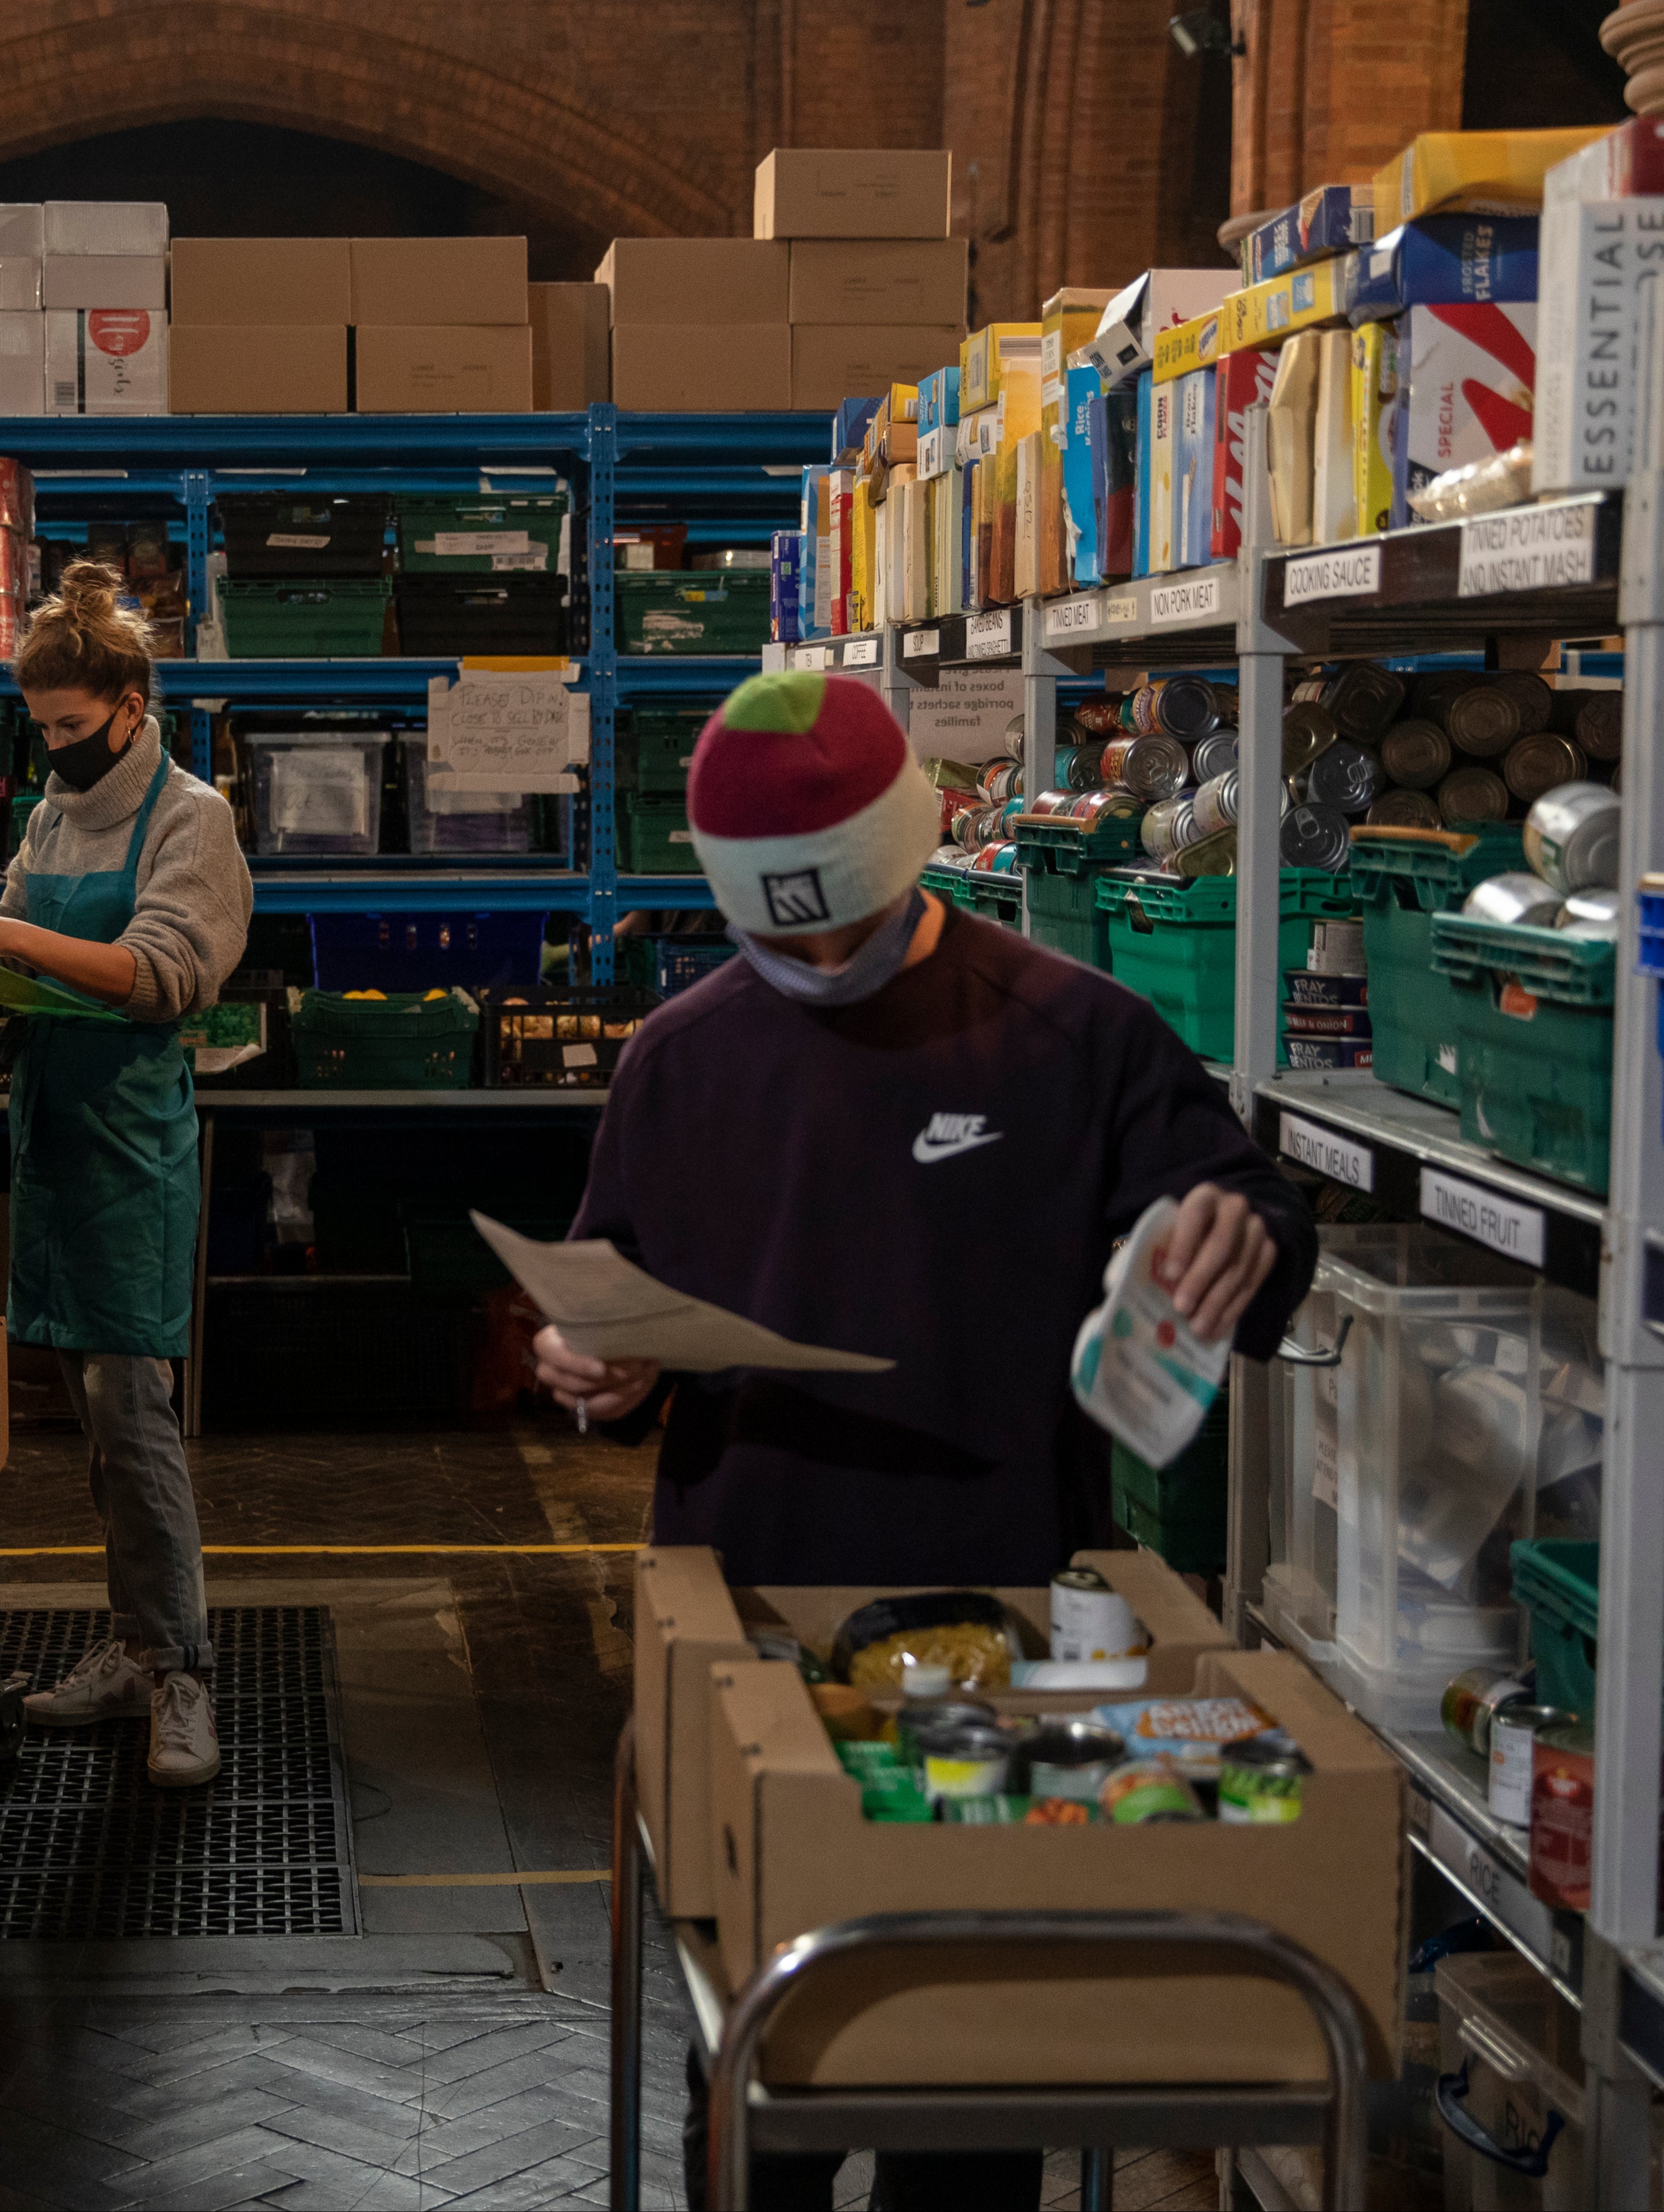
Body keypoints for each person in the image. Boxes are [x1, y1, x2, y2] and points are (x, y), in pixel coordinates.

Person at [532, 669, 1316, 2211]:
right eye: (780, 936)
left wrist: (1248, 1234)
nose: (820, 963)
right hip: (747, 1627)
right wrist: (591, 1369)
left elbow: (1255, 1221)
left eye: (850, 927)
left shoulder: (1073, 1034)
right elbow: (605, 1289)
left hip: (1008, 1633)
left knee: (969, 2086)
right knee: (753, 2084)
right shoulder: (682, 1058)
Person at [0, 562, 252, 1788]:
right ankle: (137, 1644)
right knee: (96, 1423)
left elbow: (159, 974)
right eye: (40, 729)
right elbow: (18, 919)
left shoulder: (191, 818)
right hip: (51, 1131)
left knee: (136, 1419)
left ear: (134, 704)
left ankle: (181, 1670)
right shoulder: (52, 810)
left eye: (75, 727)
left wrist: (2, 932)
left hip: (132, 1147)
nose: (57, 749)